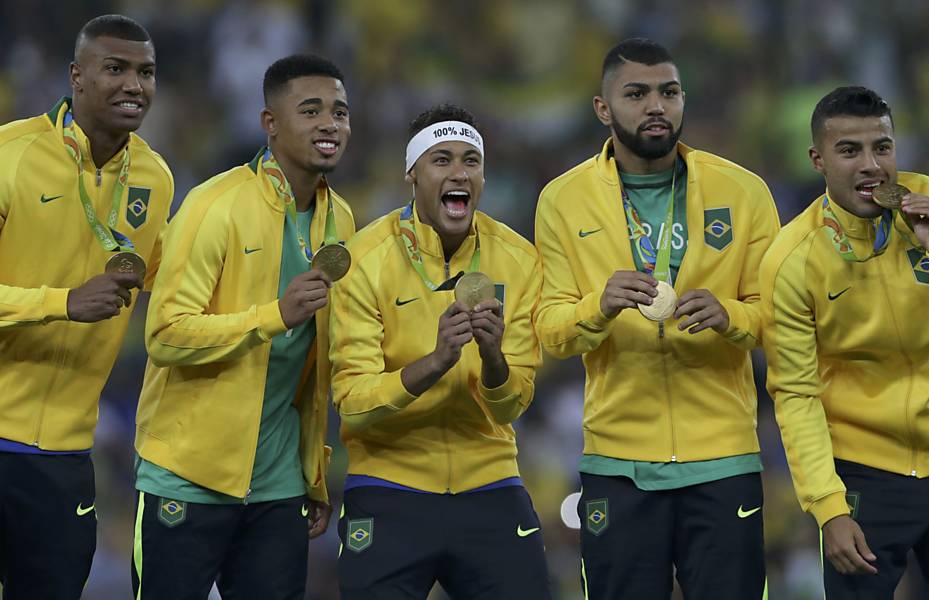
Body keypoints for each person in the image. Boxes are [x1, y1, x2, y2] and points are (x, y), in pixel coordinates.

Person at [534, 38, 780, 599]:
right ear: (603, 109)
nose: (656, 106)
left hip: (723, 459)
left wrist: (730, 315)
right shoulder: (562, 199)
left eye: (669, 92)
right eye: (637, 93)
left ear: (683, 100)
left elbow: (781, 317)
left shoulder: (743, 191)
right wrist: (598, 305)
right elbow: (548, 329)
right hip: (618, 461)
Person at [130, 54, 355, 599]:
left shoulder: (341, 220)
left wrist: (312, 472)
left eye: (340, 112)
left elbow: (314, 364)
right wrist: (272, 315)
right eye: (311, 110)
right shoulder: (214, 205)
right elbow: (163, 334)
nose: (330, 124)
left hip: (279, 487)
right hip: (188, 477)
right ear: (270, 123)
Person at [329, 103, 552, 599]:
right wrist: (434, 363)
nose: (459, 173)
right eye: (441, 160)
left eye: (471, 161)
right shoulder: (364, 261)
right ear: (411, 172)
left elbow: (514, 404)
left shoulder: (519, 259)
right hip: (389, 485)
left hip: (489, 481)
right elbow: (353, 402)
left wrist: (494, 359)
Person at [760, 86, 929, 599]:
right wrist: (829, 507)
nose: (871, 165)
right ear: (818, 159)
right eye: (849, 150)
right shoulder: (791, 259)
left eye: (883, 147)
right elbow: (796, 394)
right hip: (865, 476)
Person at [0, 15, 172, 599]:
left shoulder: (156, 176)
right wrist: (62, 303)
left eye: (146, 72)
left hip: (67, 453)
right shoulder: (11, 155)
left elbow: (164, 276)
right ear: (76, 76)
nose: (134, 84)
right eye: (115, 69)